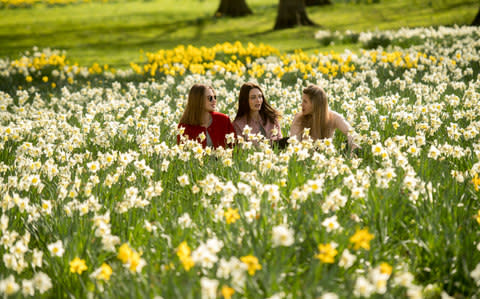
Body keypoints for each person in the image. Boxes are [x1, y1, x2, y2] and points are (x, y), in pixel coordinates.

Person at [290, 84, 360, 151]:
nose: (301, 104)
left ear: (315, 104)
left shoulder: (333, 117)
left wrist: (351, 154)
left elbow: (352, 134)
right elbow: (294, 145)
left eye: (305, 101)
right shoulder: (299, 118)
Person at [177, 84, 235, 148]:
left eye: (214, 97)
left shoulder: (223, 120)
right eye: (210, 98)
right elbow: (182, 150)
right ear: (199, 100)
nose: (214, 100)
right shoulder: (184, 127)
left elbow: (235, 147)